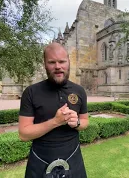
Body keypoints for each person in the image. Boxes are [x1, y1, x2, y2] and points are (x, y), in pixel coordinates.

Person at [18, 42, 89, 178]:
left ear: (68, 62)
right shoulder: (31, 92)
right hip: (40, 162)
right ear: (45, 64)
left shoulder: (79, 91)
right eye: (52, 62)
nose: (58, 66)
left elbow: (85, 121)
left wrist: (77, 123)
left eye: (62, 61)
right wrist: (56, 121)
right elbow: (23, 134)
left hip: (74, 159)